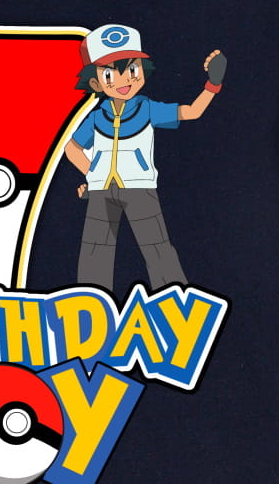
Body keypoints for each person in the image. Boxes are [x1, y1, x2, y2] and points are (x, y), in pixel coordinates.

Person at [64, 24, 226, 292]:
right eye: (109, 74)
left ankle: (176, 301)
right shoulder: (96, 117)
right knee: (95, 252)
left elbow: (191, 112)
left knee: (157, 248)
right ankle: (89, 306)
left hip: (139, 188)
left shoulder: (147, 109)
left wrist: (213, 84)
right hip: (102, 192)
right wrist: (92, 176)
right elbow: (72, 148)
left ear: (142, 71)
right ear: (95, 82)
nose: (123, 80)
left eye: (131, 70)